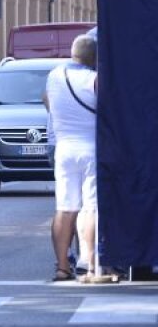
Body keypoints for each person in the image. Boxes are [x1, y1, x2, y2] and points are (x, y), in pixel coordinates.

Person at [43, 35, 97, 281]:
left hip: (64, 149)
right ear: (94, 57)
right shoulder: (94, 79)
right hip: (91, 148)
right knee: (90, 207)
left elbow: (46, 101)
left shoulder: (55, 75)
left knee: (64, 208)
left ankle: (62, 266)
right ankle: (89, 262)